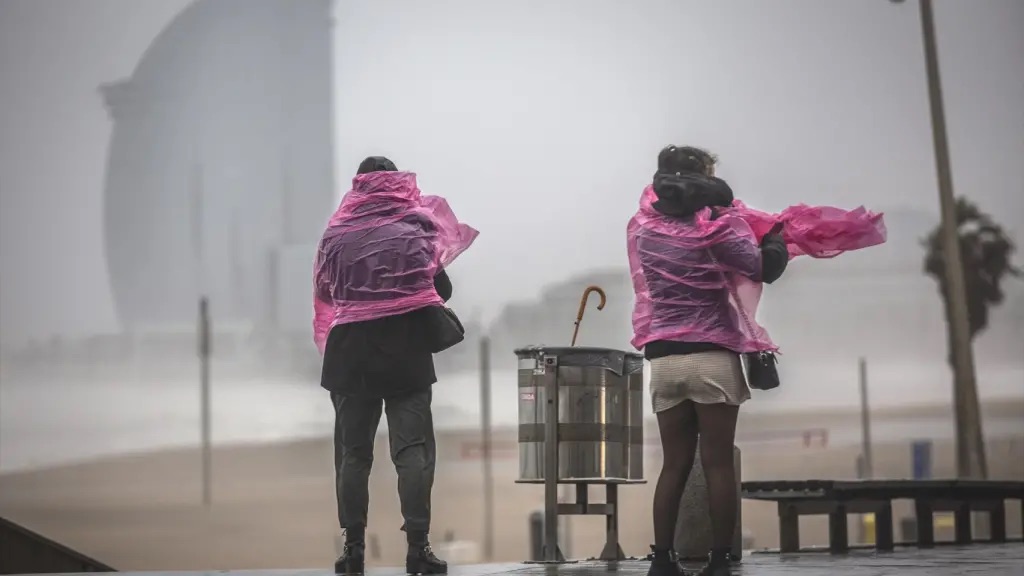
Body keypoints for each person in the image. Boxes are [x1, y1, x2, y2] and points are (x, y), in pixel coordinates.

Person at [628, 146, 789, 576]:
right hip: (712, 355)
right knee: (717, 463)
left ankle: (662, 560)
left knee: (674, 465)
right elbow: (761, 267)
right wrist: (775, 238)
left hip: (663, 360)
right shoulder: (718, 227)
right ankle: (718, 561)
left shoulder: (644, 230)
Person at [315, 156, 473, 576]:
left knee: (352, 455)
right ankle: (418, 549)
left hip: (350, 353)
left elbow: (326, 291)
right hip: (405, 350)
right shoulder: (414, 230)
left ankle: (352, 552)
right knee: (413, 452)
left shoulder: (335, 234)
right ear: (396, 183)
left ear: (359, 186)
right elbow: (441, 288)